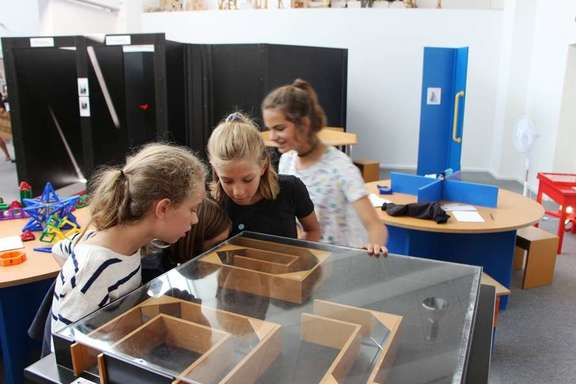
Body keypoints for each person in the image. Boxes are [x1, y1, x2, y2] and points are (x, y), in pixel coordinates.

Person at [50, 143, 207, 335]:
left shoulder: (133, 245)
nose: (195, 219)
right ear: (163, 209)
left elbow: (59, 249)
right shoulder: (94, 267)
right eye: (192, 209)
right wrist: (80, 280)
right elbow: (66, 344)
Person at [262, 79, 388, 255]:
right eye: (270, 129)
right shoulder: (286, 162)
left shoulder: (339, 166)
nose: (273, 137)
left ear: (304, 124)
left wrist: (374, 246)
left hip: (343, 263)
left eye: (279, 128)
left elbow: (375, 226)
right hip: (311, 262)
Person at [207, 112, 321, 241]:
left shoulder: (291, 189)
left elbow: (312, 229)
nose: (238, 192)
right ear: (215, 170)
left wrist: (302, 258)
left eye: (248, 179)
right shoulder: (209, 202)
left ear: (263, 166)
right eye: (227, 180)